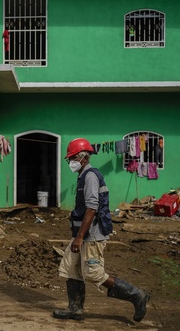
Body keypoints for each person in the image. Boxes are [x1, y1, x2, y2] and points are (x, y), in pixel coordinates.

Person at [53, 137, 150, 322]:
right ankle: (75, 309)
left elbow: (92, 208)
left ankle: (137, 295)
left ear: (83, 157)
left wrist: (80, 237)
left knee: (93, 273)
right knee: (71, 268)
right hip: (82, 234)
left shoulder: (89, 177)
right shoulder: (83, 176)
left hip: (91, 236)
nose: (70, 162)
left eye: (72, 158)